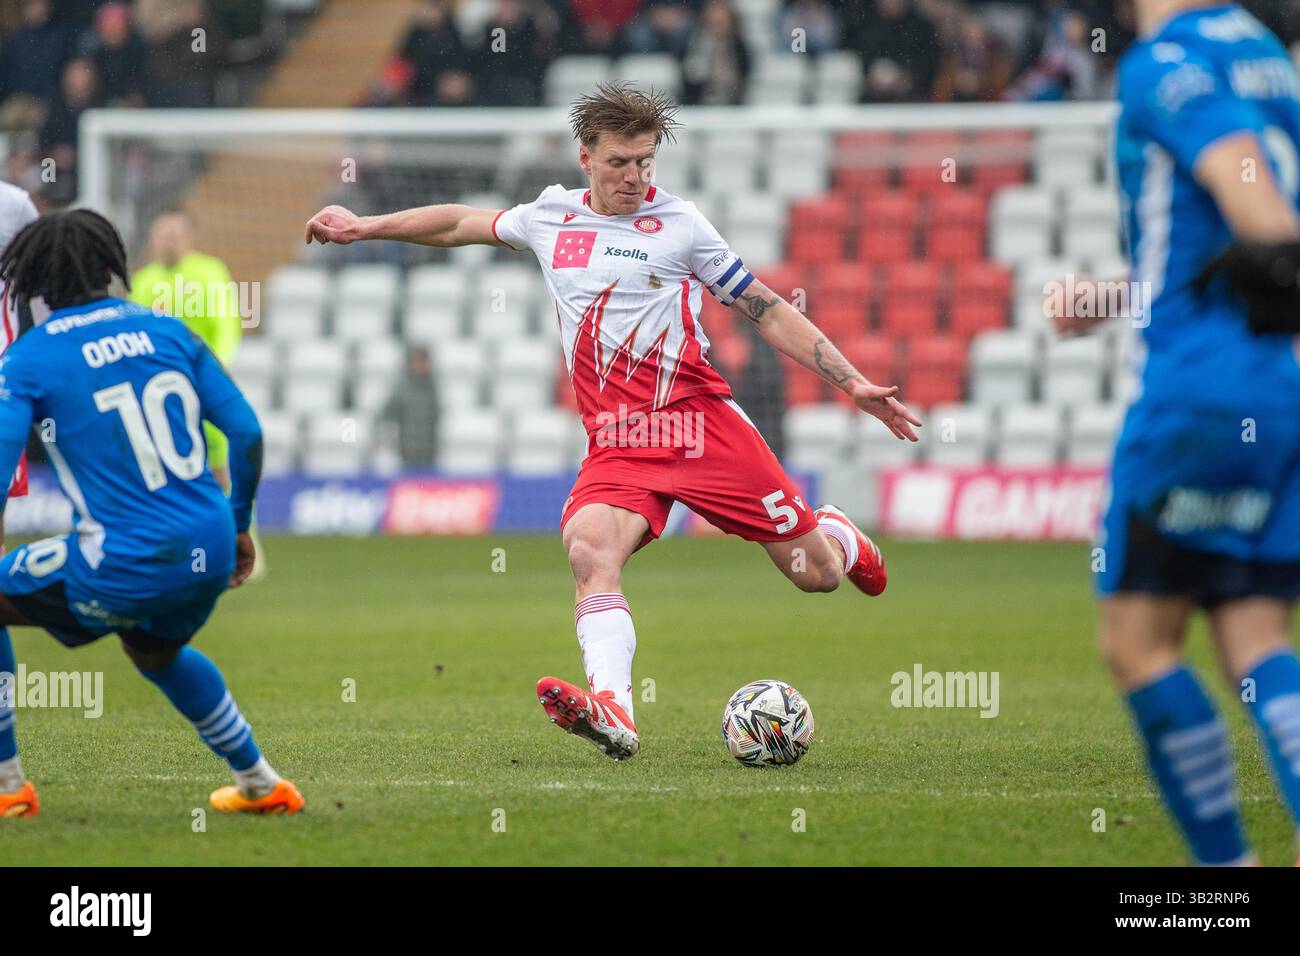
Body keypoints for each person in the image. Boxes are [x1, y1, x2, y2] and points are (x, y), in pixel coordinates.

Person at [305, 83, 921, 761]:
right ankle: (615, 712)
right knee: (588, 549)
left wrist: (852, 380)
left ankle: (834, 532)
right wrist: (364, 225)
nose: (634, 177)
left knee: (816, 575)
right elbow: (459, 224)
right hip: (619, 443)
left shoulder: (682, 225)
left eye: (645, 162)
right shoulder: (551, 218)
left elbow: (766, 307)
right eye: (621, 162)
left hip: (698, 425)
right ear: (586, 158)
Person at [1052, 1, 1300, 865]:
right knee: (1255, 638)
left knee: (1139, 642)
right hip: (1283, 385)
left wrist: (1272, 246)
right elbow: (1207, 234)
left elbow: (1252, 202)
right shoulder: (1266, 52)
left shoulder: (1165, 61)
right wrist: (1115, 296)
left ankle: (1227, 880)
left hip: (1203, 389)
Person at [0, 209, 302, 817]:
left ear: (30, 284)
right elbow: (244, 432)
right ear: (112, 267)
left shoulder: (28, 359)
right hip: (211, 544)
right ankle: (261, 783)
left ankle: (8, 786)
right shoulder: (167, 330)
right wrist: (238, 523)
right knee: (153, 651)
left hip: (128, 557)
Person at [130, 208, 241, 490]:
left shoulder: (209, 272)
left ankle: (239, 531)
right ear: (152, 239)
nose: (169, 241)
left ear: (189, 238)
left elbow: (227, 324)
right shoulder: (144, 281)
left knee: (218, 466)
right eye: (163, 235)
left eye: (175, 235)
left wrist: (218, 366)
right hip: (158, 389)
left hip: (202, 381)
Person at [381, 346, 440, 469]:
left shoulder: (434, 388)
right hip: (407, 452)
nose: (421, 366)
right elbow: (387, 413)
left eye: (424, 362)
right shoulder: (402, 388)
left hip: (429, 453)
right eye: (418, 362)